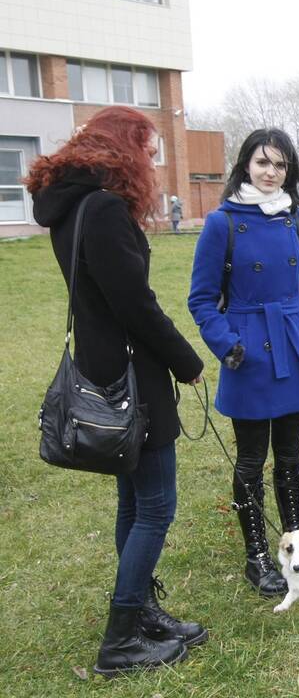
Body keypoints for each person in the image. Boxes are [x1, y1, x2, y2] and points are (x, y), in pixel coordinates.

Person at [26, 106, 206, 675]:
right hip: (132, 374)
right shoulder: (101, 209)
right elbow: (135, 305)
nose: (153, 160)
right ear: (123, 148)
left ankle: (144, 613)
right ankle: (121, 641)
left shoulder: (73, 204)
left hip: (107, 368)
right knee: (156, 506)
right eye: (148, 149)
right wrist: (186, 361)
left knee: (134, 499)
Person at [188, 128, 299, 597]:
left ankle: (298, 547)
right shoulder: (221, 222)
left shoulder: (298, 220)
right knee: (251, 458)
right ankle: (258, 556)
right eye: (263, 162)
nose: (272, 173)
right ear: (245, 164)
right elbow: (202, 299)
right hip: (247, 349)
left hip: (293, 341)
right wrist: (227, 344)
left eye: (281, 165)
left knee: (289, 454)